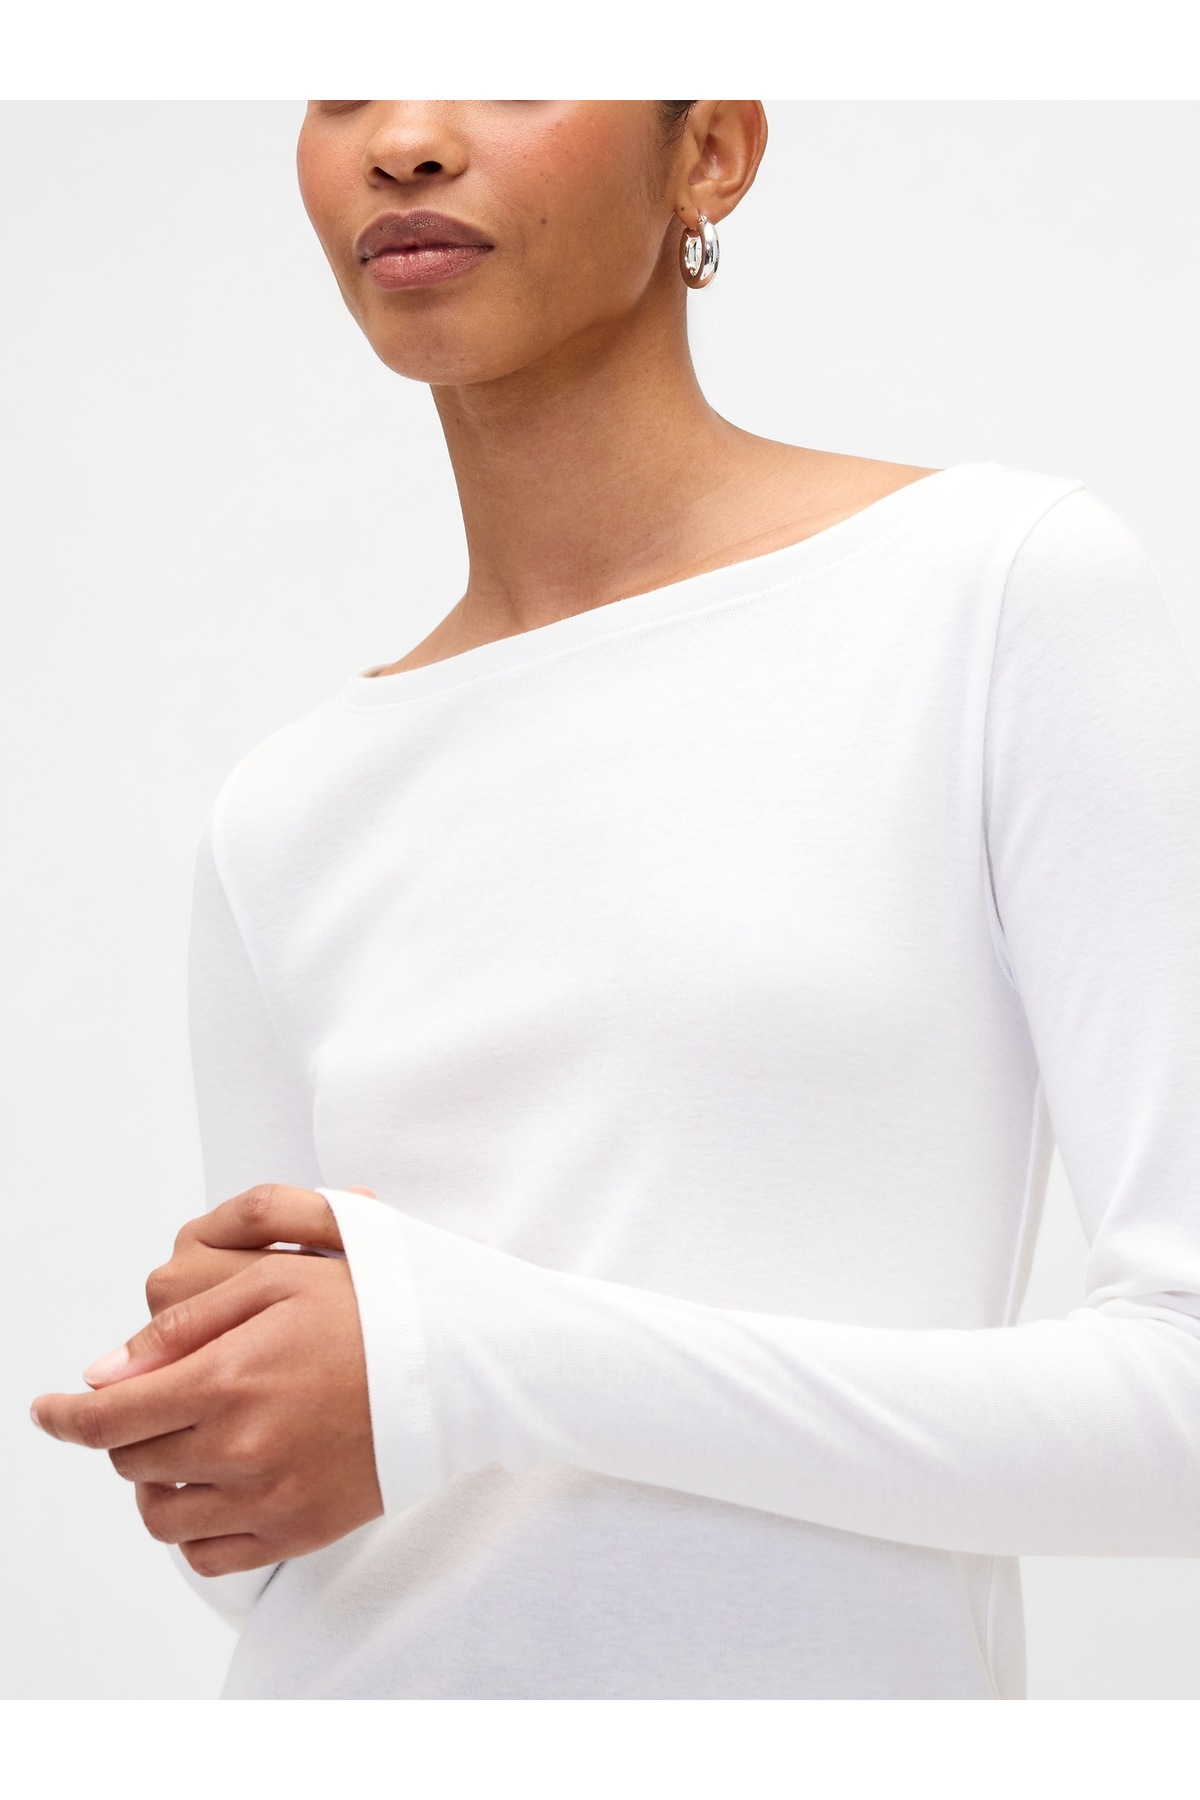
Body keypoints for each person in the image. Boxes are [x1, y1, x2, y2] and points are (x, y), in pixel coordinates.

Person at [30, 100, 1200, 1701]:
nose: (405, 139)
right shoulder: (282, 812)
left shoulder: (992, 594)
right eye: (347, 75)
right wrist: (214, 1427)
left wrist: (463, 1362)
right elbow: (285, 1534)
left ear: (709, 152)